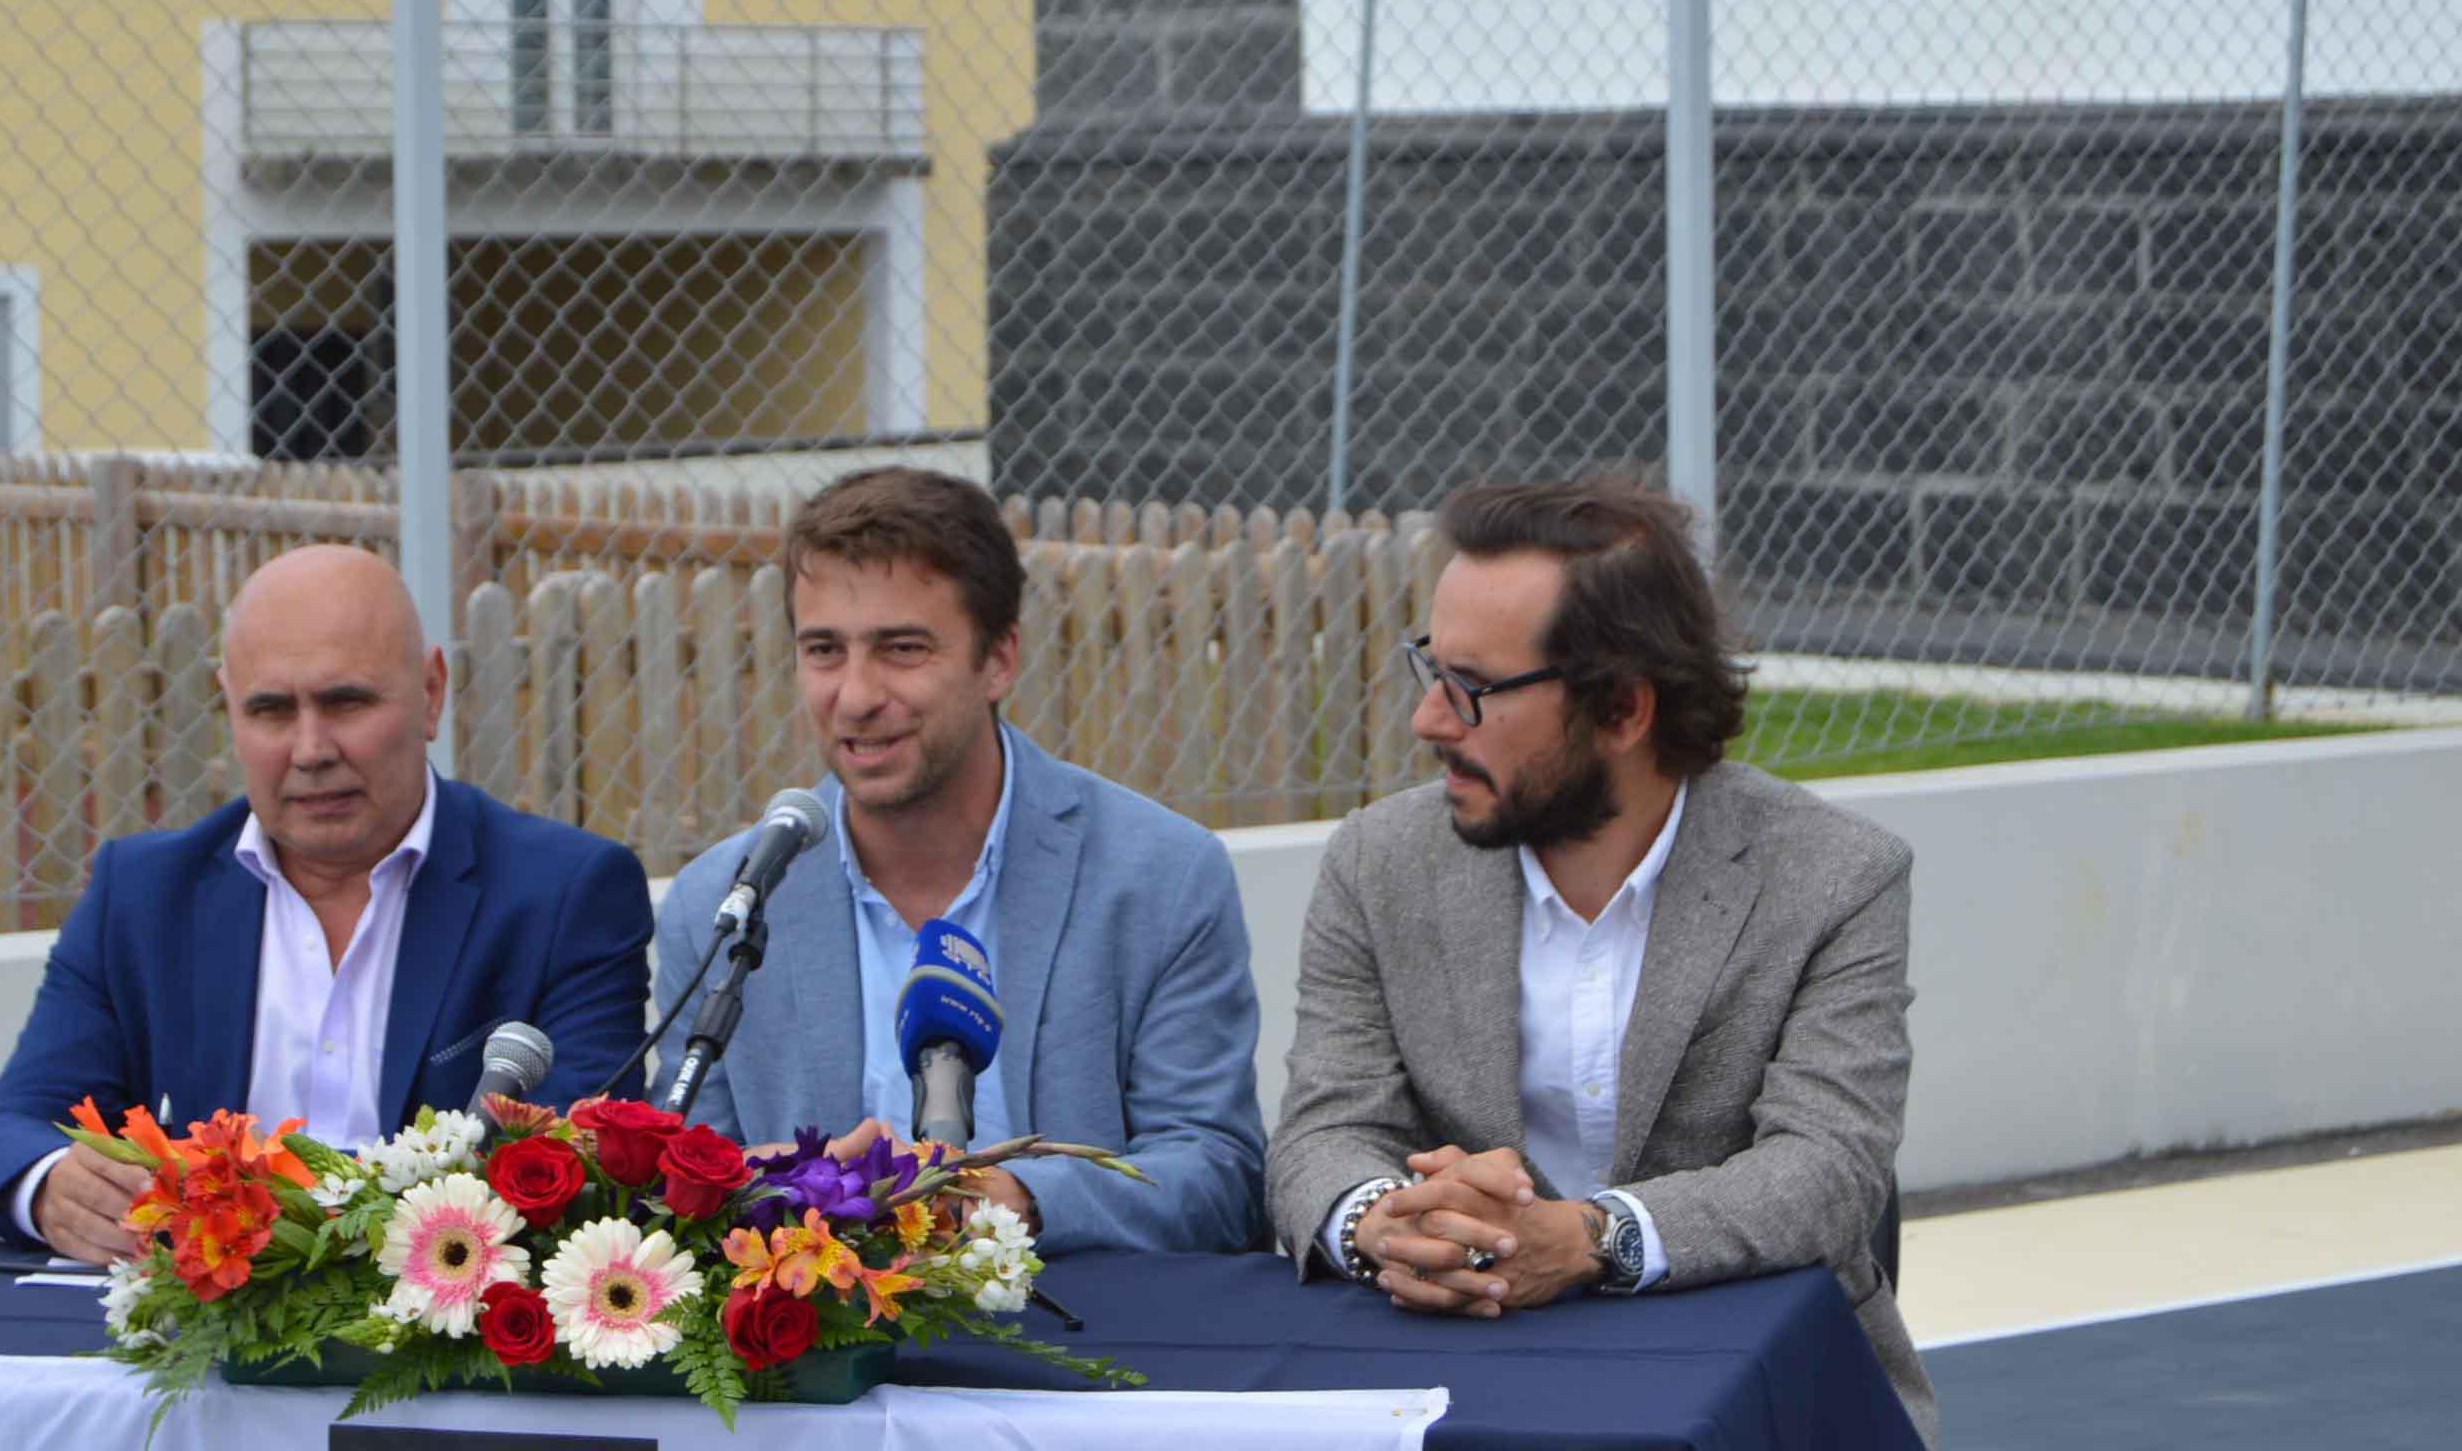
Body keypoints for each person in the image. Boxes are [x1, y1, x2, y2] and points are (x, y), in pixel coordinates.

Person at [1267, 478, 1935, 1445]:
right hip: (1452, 1362)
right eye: (1432, 671)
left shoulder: (1834, 876)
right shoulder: (1381, 864)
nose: (1432, 722)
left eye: (1476, 689)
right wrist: (1384, 1222)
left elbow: (1827, 1169)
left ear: (1623, 709)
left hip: (1751, 1374)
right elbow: (1323, 1128)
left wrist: (1588, 1239)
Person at [0, 544, 654, 1263]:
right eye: (272, 710)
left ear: (432, 693)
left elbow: (589, 1165)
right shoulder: (145, 895)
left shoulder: (566, 894)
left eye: (346, 701)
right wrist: (52, 1188)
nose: (311, 748)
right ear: (229, 706)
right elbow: (4, 1133)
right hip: (202, 1336)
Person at [651, 466, 1266, 1254]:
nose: (857, 694)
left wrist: (1019, 1201)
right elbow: (676, 1190)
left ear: (999, 659)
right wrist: (760, 1189)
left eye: (902, 649)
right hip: (823, 1353)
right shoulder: (726, 903)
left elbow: (1220, 1179)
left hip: (1092, 1345)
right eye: (824, 651)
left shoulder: (1160, 877)